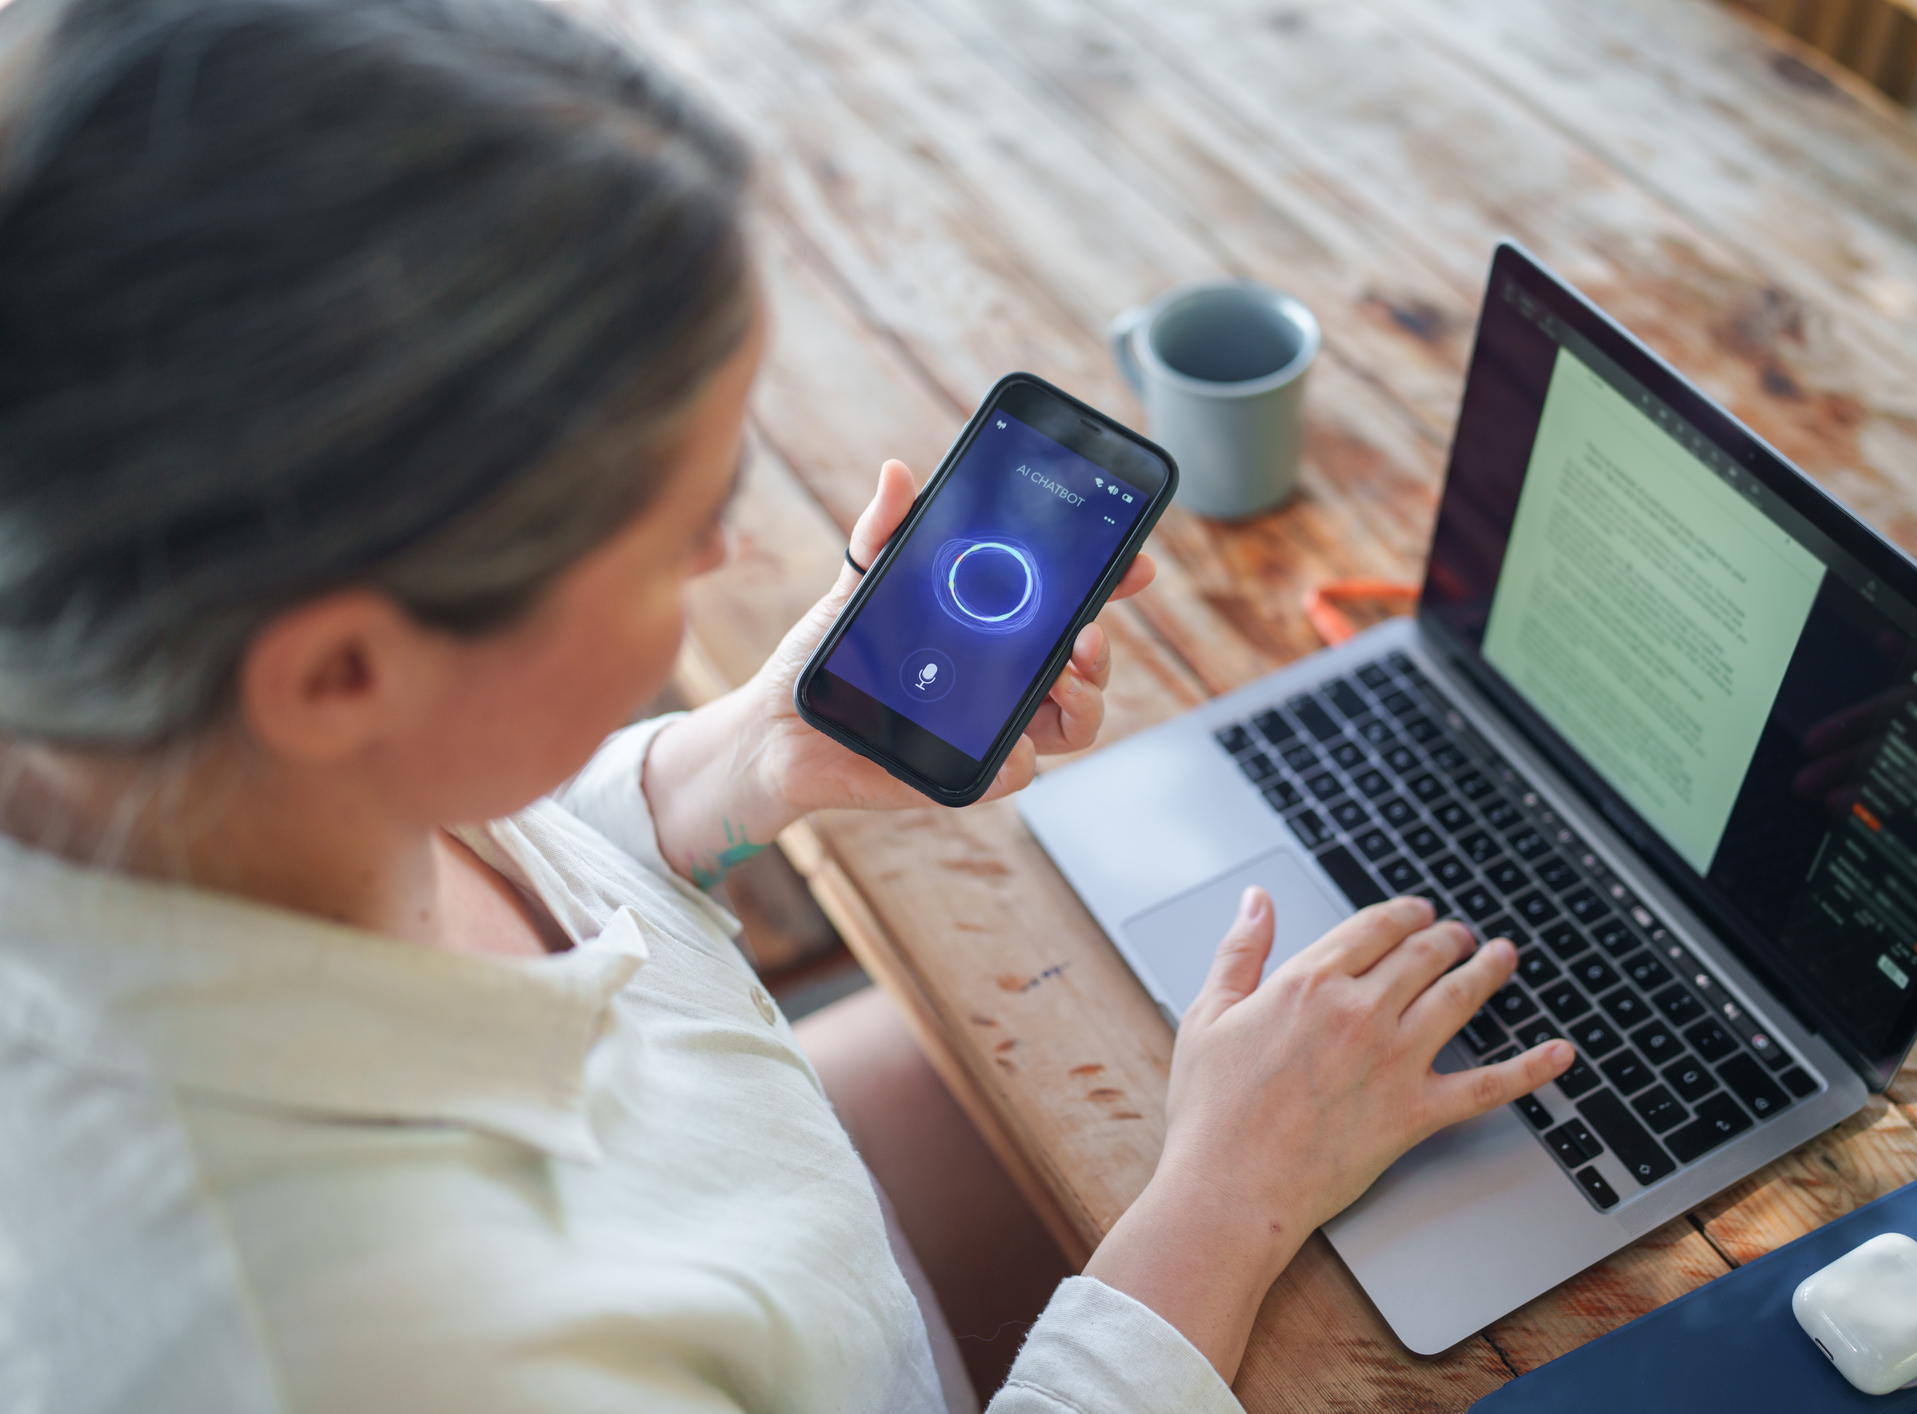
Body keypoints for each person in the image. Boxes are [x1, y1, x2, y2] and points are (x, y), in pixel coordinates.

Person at [0, 0, 1576, 1410]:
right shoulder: (380, 1351)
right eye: (680, 524)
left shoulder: (161, 718)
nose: (731, 550)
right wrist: (1229, 1192)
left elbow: (487, 828)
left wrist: (734, 764)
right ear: (341, 668)